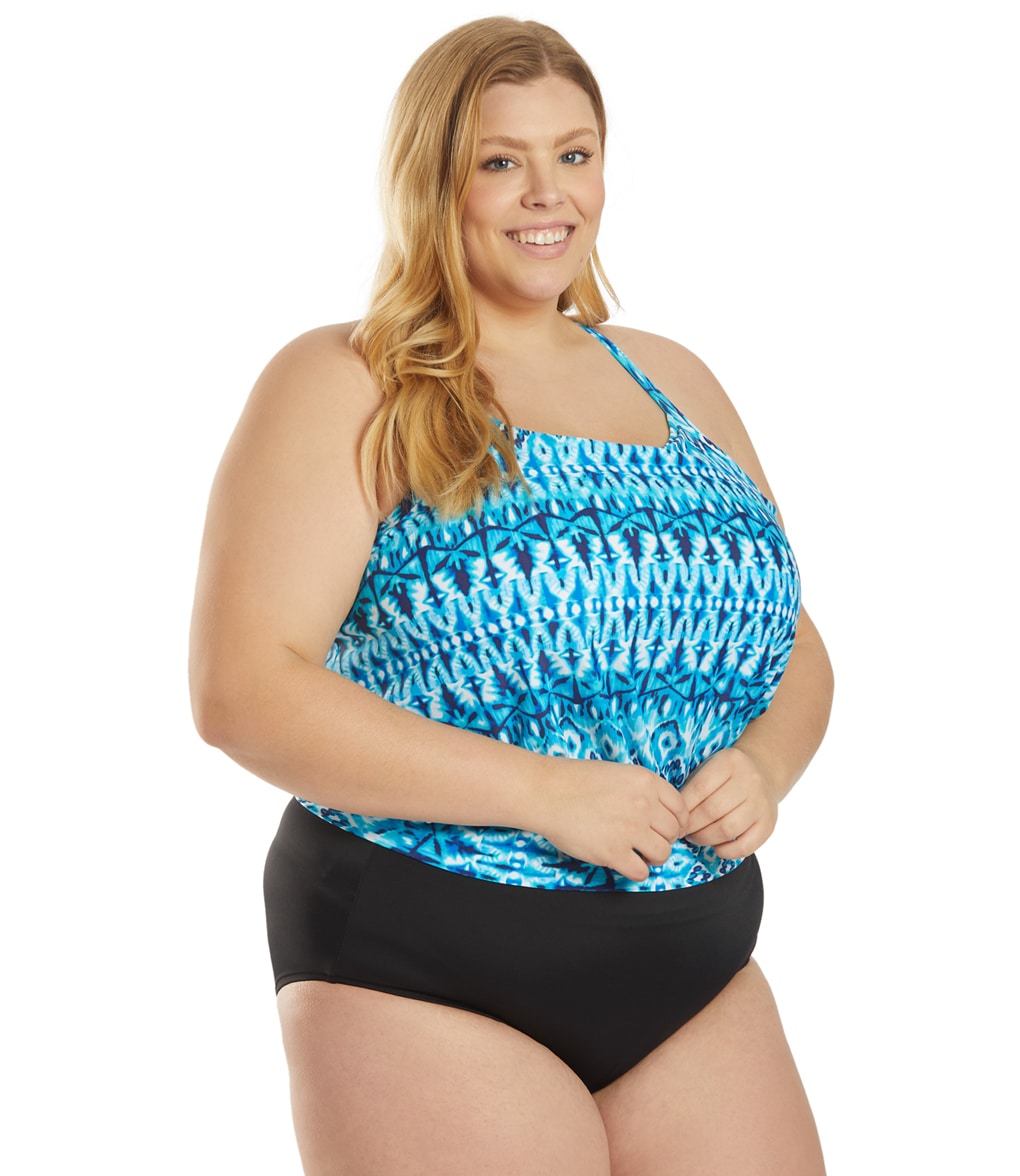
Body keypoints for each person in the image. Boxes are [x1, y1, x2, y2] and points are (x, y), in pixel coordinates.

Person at [190, 16, 833, 1175]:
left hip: (691, 964)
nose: (549, 194)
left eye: (574, 154)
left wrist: (766, 765)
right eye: (501, 160)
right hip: (427, 961)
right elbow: (243, 690)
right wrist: (543, 792)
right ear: (433, 179)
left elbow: (790, 642)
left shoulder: (675, 378)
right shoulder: (349, 381)